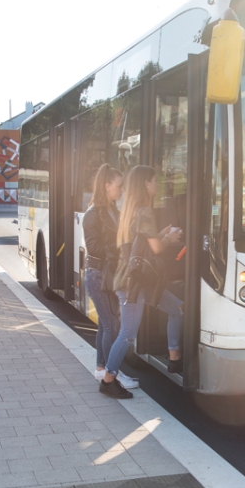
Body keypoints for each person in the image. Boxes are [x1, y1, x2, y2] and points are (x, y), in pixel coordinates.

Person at [101, 165, 184, 399]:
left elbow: (144, 244)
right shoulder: (144, 212)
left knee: (177, 308)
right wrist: (168, 237)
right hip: (133, 284)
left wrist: (162, 233)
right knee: (127, 333)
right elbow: (156, 248)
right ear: (146, 184)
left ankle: (175, 359)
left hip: (139, 280)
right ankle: (108, 380)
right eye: (155, 180)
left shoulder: (132, 210)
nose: (158, 185)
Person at [82, 164, 139, 389]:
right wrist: (119, 247)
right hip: (98, 275)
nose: (122, 190)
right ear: (107, 186)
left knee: (105, 325)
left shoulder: (114, 212)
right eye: (119, 186)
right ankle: (111, 373)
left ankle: (100, 369)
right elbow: (93, 247)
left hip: (108, 275)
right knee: (111, 325)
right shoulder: (93, 214)